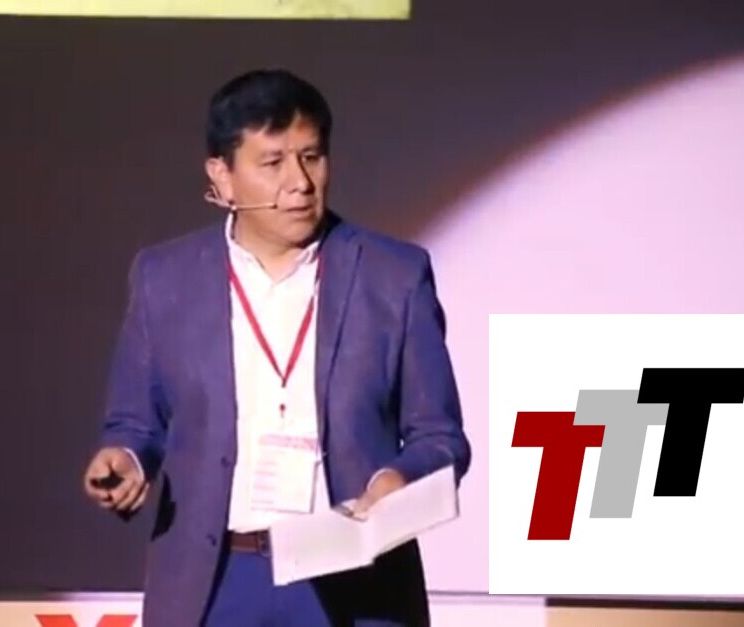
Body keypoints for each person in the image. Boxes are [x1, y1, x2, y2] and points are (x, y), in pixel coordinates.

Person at [82, 68, 471, 627]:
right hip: (215, 580)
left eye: (312, 157)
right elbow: (135, 423)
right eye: (272, 163)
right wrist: (124, 458)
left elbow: (441, 437)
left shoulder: (394, 275)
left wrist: (398, 481)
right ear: (222, 178)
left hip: (353, 576)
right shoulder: (163, 278)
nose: (300, 183)